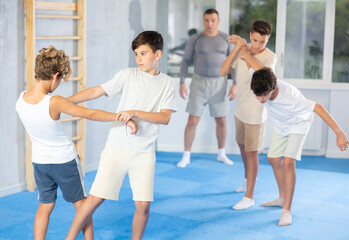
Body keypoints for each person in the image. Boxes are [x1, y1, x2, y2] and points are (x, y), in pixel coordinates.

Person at [15, 46, 138, 240]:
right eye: (61, 79)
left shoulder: (21, 100)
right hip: (64, 162)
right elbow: (91, 114)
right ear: (55, 76)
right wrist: (121, 117)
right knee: (83, 206)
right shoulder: (54, 101)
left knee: (44, 207)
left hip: (39, 162)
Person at [65, 31, 176, 240]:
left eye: (144, 53)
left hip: (144, 153)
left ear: (158, 54)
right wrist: (66, 101)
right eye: (136, 54)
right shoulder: (128, 75)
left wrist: (133, 112)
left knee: (143, 205)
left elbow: (164, 117)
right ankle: (68, 238)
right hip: (117, 147)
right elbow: (97, 91)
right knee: (95, 199)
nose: (139, 58)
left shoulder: (167, 83)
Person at [250, 67, 349, 226]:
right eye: (257, 95)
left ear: (273, 88)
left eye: (264, 95)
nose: (261, 100)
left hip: (299, 123)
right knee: (273, 159)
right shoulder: (261, 81)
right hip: (281, 124)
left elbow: (318, 108)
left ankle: (287, 210)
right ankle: (282, 197)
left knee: (288, 163)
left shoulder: (289, 97)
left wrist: (339, 133)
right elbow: (255, 64)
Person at [220, 20, 277, 210]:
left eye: (262, 42)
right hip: (240, 109)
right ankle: (247, 179)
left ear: (267, 40)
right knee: (242, 147)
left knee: (252, 153)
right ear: (250, 35)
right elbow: (223, 71)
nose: (258, 45)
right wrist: (239, 48)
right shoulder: (244, 48)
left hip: (255, 113)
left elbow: (264, 73)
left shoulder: (270, 57)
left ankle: (249, 196)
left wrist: (246, 53)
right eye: (255, 40)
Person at [176, 8, 235, 168]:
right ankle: (186, 155)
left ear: (218, 21)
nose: (210, 23)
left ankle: (221, 154)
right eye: (207, 20)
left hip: (219, 84)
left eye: (213, 20)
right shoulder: (195, 39)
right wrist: (182, 82)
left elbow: (232, 63)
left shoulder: (226, 39)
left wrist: (234, 84)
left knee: (221, 120)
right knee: (193, 120)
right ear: (203, 21)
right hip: (199, 83)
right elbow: (185, 61)